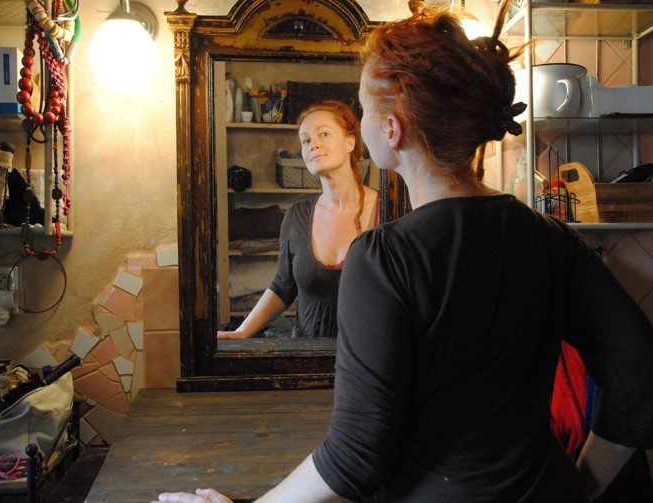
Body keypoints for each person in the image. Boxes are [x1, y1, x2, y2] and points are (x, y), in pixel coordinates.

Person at [156, 0, 653, 501]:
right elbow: (640, 369)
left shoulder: (384, 256)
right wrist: (582, 484)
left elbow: (354, 457)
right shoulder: (552, 238)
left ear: (391, 130)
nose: (361, 122)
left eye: (363, 109)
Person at [217, 100, 379, 339]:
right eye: (306, 140)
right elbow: (283, 286)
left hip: (366, 355)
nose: (314, 144)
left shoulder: (386, 211)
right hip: (306, 352)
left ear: (350, 142)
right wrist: (242, 331)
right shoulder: (297, 215)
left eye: (324, 134)